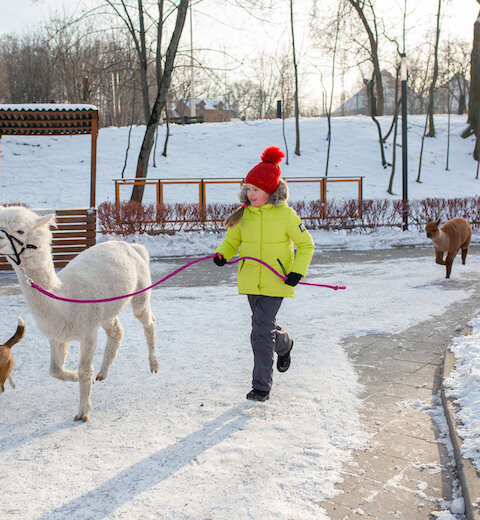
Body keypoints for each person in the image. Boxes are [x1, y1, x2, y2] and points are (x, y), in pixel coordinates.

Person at [213, 146, 314, 402]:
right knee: (265, 327)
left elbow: (306, 245)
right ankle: (285, 344)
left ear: (270, 191)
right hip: (250, 281)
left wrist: (296, 272)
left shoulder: (286, 215)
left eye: (256, 189)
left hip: (276, 281)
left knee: (259, 331)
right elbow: (231, 240)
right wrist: (222, 254)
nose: (251, 193)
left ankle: (261, 386)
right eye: (248, 188)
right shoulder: (244, 215)